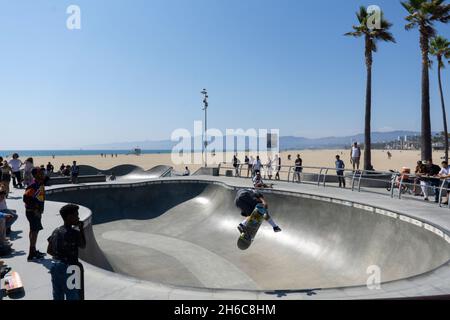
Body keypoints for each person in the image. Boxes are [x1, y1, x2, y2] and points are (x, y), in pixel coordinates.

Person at [47, 204, 86, 300]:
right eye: (76, 215)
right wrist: (81, 229)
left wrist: (60, 256)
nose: (78, 217)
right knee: (72, 295)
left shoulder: (55, 231)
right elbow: (83, 245)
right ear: (69, 217)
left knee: (57, 294)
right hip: (70, 267)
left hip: (55, 266)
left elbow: (49, 250)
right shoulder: (74, 233)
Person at [23, 167, 46, 261]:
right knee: (35, 231)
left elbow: (40, 197)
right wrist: (35, 209)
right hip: (33, 212)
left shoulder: (39, 183)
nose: (43, 174)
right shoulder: (34, 185)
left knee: (33, 230)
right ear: (36, 175)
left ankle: (33, 250)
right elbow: (26, 198)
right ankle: (31, 253)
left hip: (35, 211)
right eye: (40, 173)